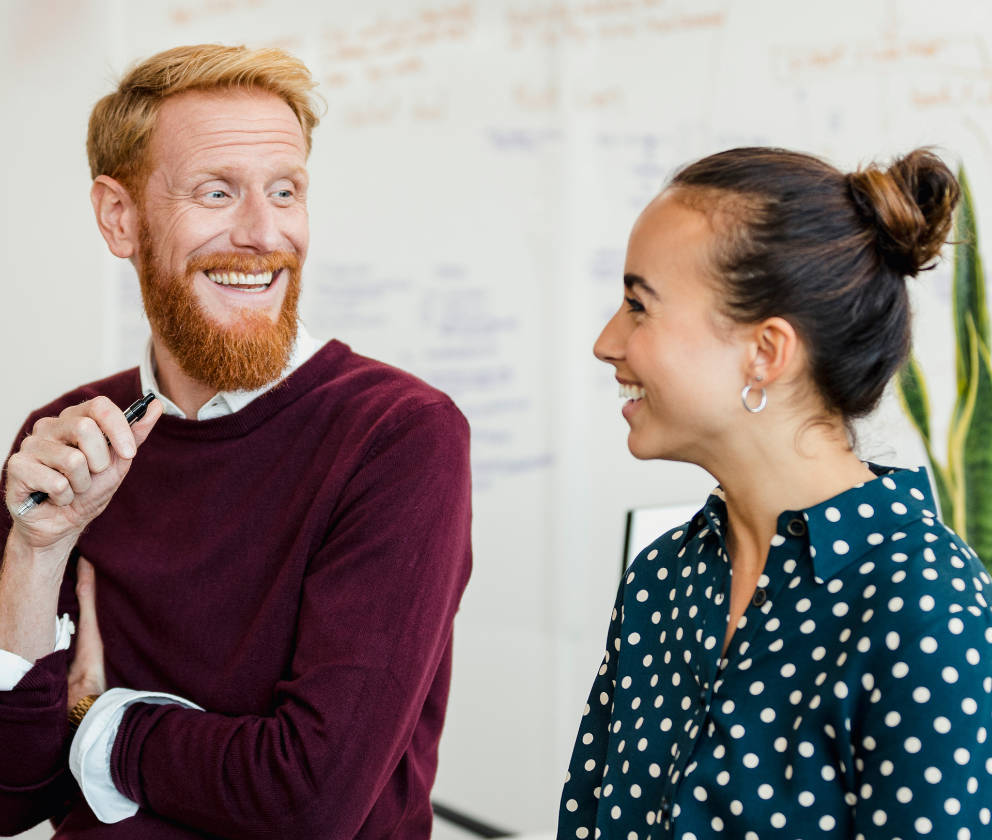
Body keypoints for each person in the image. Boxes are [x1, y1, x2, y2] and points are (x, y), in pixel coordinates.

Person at [0, 44, 472, 839]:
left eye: (285, 191)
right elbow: (11, 796)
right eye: (217, 192)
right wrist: (38, 551)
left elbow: (308, 800)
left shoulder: (398, 435)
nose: (264, 234)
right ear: (121, 218)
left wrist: (93, 719)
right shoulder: (70, 438)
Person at [557, 147, 992, 838]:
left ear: (766, 352)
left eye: (639, 305)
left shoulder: (924, 602)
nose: (608, 341)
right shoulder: (661, 580)